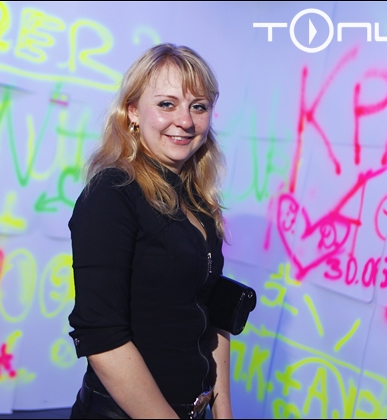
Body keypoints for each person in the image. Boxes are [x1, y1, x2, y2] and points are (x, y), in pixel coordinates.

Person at [67, 43, 232, 419]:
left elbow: (215, 315)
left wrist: (223, 412)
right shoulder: (113, 193)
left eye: (198, 107)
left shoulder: (200, 202)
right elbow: (101, 338)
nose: (185, 121)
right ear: (132, 112)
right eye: (167, 104)